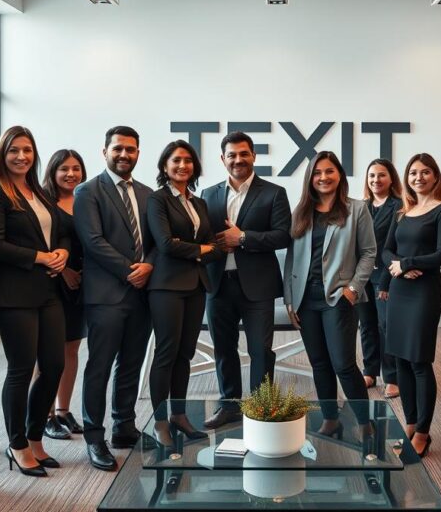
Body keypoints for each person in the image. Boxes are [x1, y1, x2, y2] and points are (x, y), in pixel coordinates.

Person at [0, 126, 69, 477]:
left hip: (47, 292)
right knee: (20, 370)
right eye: (14, 150)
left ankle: (35, 437)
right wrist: (41, 257)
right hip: (13, 295)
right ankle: (16, 445)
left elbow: (60, 230)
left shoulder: (38, 192)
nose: (21, 156)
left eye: (27, 150)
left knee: (54, 366)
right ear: (3, 153)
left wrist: (62, 250)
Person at [74, 126, 155, 471]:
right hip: (106, 293)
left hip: (142, 295)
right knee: (99, 367)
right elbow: (92, 241)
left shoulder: (149, 194)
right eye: (118, 149)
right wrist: (131, 270)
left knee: (131, 364)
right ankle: (95, 437)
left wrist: (148, 265)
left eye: (131, 150)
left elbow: (156, 241)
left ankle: (123, 426)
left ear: (138, 153)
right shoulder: (88, 191)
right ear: (104, 151)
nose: (125, 155)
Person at [200, 131, 291, 429]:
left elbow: (282, 235)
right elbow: (201, 238)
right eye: (231, 155)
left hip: (257, 287)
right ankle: (229, 406)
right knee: (224, 348)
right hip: (218, 284)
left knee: (260, 350)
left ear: (253, 155)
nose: (238, 160)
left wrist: (242, 238)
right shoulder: (209, 194)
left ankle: (262, 407)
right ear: (222, 159)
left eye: (243, 154)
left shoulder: (274, 193)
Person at [282, 151, 376, 436]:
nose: (323, 177)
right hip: (304, 299)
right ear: (310, 178)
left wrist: (353, 289)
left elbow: (369, 252)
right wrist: (289, 299)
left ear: (339, 175)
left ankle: (364, 422)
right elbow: (291, 259)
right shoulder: (301, 211)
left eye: (329, 171)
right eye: (318, 172)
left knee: (343, 363)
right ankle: (330, 419)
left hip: (338, 298)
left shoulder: (356, 209)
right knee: (319, 362)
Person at [146, 140, 223, 445]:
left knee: (185, 354)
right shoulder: (157, 200)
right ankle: (160, 421)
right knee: (166, 353)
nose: (182, 166)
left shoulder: (199, 202)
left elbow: (214, 248)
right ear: (165, 166)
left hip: (196, 286)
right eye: (176, 160)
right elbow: (165, 244)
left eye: (188, 161)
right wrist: (203, 249)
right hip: (166, 285)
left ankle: (179, 415)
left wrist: (202, 249)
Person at [380, 154, 441, 457]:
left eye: (425, 172)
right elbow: (385, 251)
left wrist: (407, 263)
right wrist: (397, 266)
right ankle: (410, 424)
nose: (418, 177)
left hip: (423, 292)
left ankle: (423, 432)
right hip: (399, 290)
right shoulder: (402, 211)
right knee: (400, 361)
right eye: (413, 172)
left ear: (436, 177)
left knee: (420, 362)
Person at [41, 149, 87, 440]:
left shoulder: (86, 200)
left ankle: (63, 411)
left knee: (72, 349)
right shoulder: (44, 202)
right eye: (64, 169)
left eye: (76, 168)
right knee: (47, 353)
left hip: (82, 285)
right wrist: (65, 270)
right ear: (53, 171)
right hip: (52, 281)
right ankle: (43, 414)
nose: (71, 174)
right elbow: (41, 240)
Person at [356, 158, 403, 399]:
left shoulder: (399, 206)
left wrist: (385, 277)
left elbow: (393, 246)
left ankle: (392, 377)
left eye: (381, 175)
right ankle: (370, 370)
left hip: (387, 275)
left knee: (386, 326)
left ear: (391, 178)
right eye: (372, 175)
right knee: (366, 326)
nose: (376, 180)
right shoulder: (360, 206)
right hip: (363, 276)